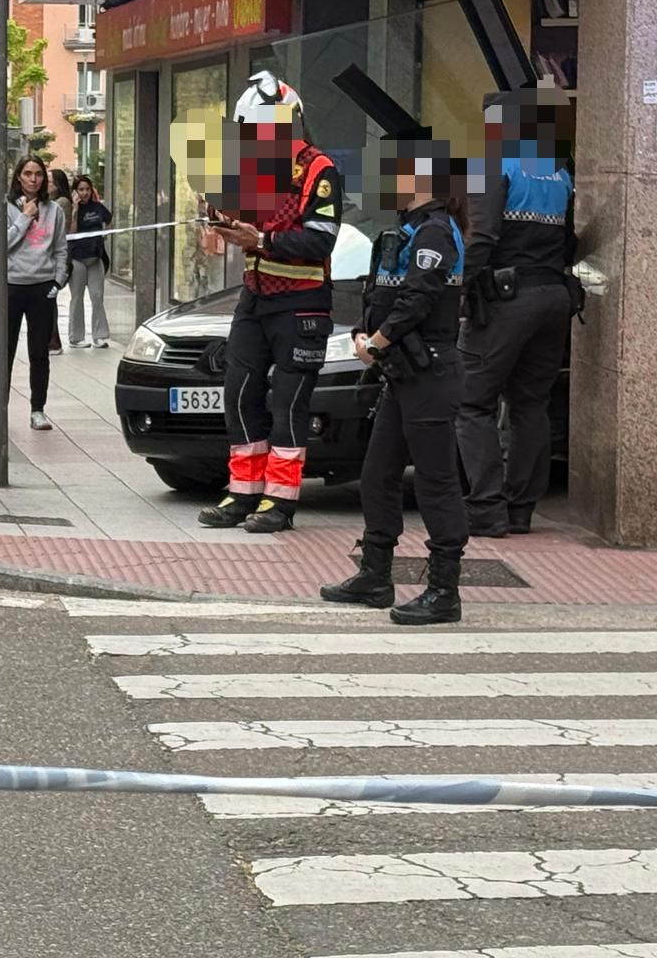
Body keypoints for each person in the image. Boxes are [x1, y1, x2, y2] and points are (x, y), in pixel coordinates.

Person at [321, 141, 469, 625]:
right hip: (402, 374)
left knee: (436, 481)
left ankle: (444, 591)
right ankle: (375, 575)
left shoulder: (435, 231)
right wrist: (363, 332)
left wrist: (378, 342)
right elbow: (381, 293)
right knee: (378, 474)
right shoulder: (403, 232)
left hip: (429, 373)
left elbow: (419, 299)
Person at [198, 73, 343, 534]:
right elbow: (236, 213)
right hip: (256, 298)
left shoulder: (319, 170)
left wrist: (260, 239)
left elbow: (321, 240)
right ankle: (242, 492)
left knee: (288, 402)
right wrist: (216, 215)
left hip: (302, 303)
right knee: (239, 393)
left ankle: (280, 501)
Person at [456, 91, 577, 537]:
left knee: (472, 402)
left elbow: (482, 237)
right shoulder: (558, 172)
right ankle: (521, 509)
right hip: (554, 298)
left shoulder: (493, 165)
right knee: (530, 404)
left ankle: (486, 509)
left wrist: (459, 288)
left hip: (506, 300)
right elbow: (570, 242)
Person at [5, 155, 68, 431]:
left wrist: (58, 280)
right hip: (12, 285)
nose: (33, 179)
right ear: (18, 176)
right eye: (28, 173)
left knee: (39, 352)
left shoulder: (55, 210)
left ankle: (38, 409)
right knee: (4, 351)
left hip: (43, 286)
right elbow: (2, 244)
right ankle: (0, 409)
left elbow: (61, 248)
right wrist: (24, 218)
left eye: (38, 174)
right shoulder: (6, 207)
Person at [67, 174, 111, 349]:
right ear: (75, 192)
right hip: (77, 259)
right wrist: (75, 210)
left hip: (95, 258)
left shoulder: (98, 207)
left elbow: (109, 221)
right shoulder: (72, 209)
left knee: (97, 296)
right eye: (81, 190)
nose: (84, 193)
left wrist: (103, 236)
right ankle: (76, 337)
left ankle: (99, 335)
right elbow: (71, 233)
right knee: (77, 297)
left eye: (87, 189)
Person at [47, 168, 73, 354]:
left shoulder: (61, 203)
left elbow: (57, 231)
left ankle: (53, 341)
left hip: (56, 259)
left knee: (49, 300)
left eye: (49, 181)